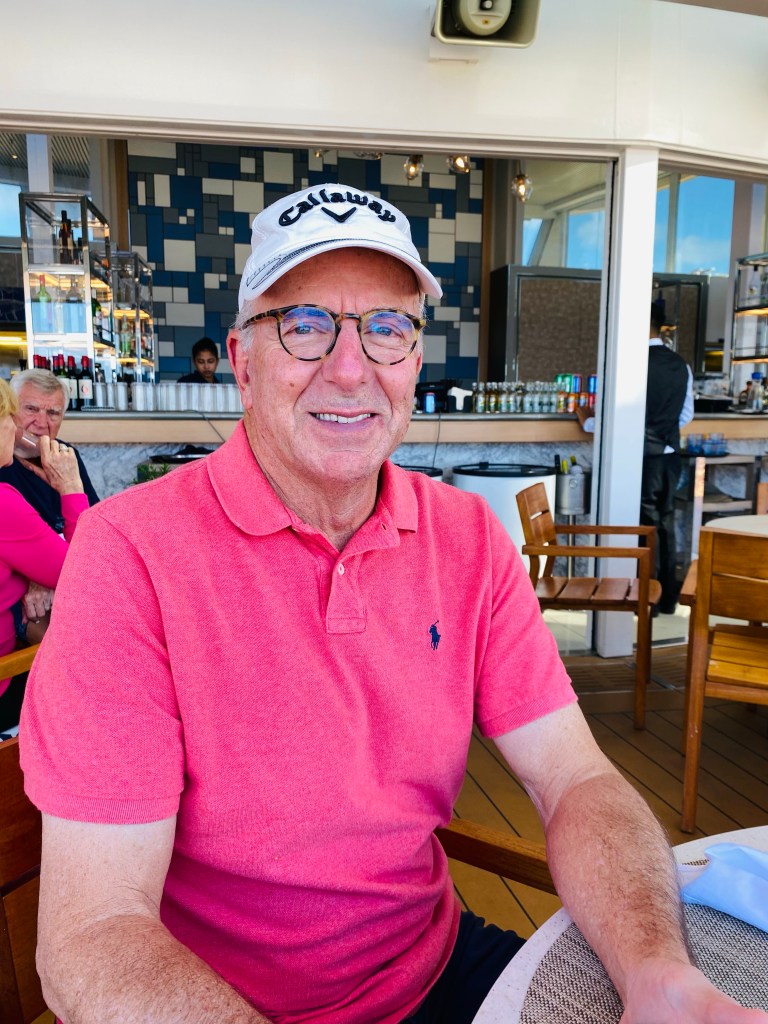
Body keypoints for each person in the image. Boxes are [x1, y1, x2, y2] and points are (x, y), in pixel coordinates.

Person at [20, 185, 765, 1024]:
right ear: (242, 361)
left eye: (386, 328)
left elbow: (575, 778)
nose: (351, 369)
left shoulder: (467, 539)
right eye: (305, 324)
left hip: (437, 972)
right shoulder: (129, 554)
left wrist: (657, 972)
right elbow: (92, 933)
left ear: (413, 359)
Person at [576, 302, 693, 614]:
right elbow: (686, 415)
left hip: (638, 459)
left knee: (642, 528)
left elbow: (617, 419)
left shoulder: (629, 363)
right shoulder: (680, 364)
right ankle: (667, 599)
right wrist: (662, 432)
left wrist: (587, 421)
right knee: (664, 525)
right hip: (668, 458)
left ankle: (645, 600)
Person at [0, 378, 88, 732]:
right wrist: (71, 487)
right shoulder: (4, 501)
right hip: (7, 675)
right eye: (19, 413)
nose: (23, 426)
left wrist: (37, 573)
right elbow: (87, 572)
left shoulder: (62, 455)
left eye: (53, 412)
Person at [0, 369, 99, 533]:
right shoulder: (2, 460)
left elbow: (95, 523)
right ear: (11, 412)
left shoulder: (65, 455)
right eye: (31, 409)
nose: (41, 423)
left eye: (52, 413)